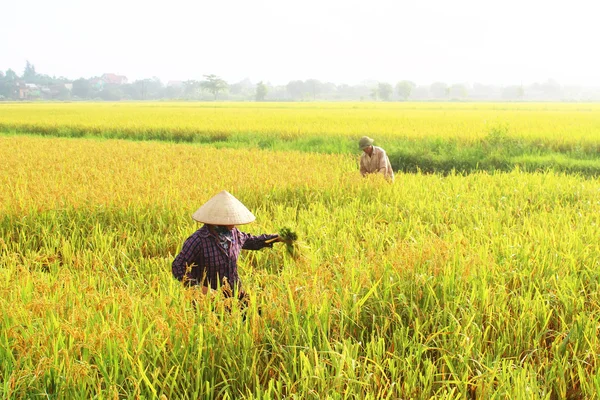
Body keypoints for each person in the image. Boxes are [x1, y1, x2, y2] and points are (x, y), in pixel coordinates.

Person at [172, 190, 286, 300]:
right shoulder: (198, 240)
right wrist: (200, 289)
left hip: (235, 293)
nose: (233, 224)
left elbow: (252, 241)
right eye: (229, 220)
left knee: (255, 313)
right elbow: (178, 266)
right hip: (209, 302)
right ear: (217, 220)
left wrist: (277, 238)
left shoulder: (234, 234)